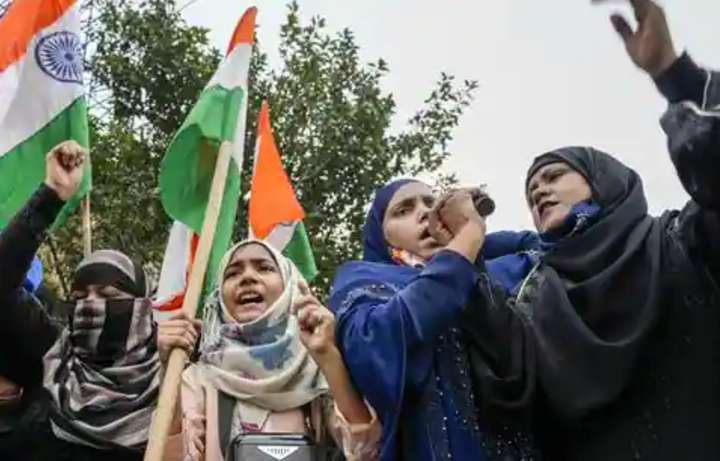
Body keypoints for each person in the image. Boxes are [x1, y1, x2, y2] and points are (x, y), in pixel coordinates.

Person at [459, 1, 720, 460]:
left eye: (554, 176)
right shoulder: (535, 299)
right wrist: (460, 246)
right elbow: (504, 387)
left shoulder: (680, 242)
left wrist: (675, 75)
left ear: (604, 181)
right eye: (531, 191)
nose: (539, 190)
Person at [0, 141, 193, 460]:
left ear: (141, 308)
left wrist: (168, 370)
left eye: (108, 296)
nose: (91, 304)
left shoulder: (172, 376)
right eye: (80, 296)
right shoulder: (51, 357)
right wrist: (52, 194)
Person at [328, 178, 540, 461]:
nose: (425, 213)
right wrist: (465, 241)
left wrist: (473, 237)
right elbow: (373, 347)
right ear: (382, 237)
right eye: (403, 210)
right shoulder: (362, 280)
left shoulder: (483, 273)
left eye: (432, 203)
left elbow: (549, 247)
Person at [166, 238, 380, 461]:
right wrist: (168, 369)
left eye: (264, 268)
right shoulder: (200, 378)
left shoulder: (317, 370)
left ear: (289, 287)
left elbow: (367, 451)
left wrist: (328, 356)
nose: (247, 277)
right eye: (232, 273)